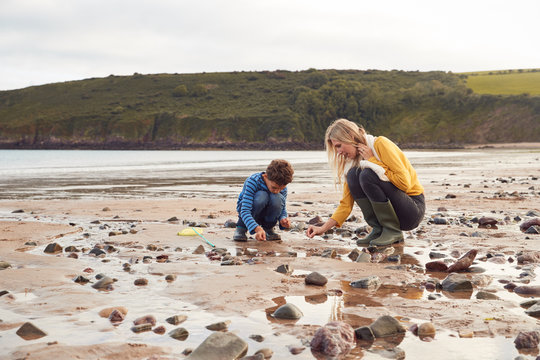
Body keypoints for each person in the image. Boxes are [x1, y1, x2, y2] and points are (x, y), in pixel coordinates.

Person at [306, 118, 425, 246]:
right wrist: (323, 228)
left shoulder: (380, 144)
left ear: (350, 137)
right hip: (395, 212)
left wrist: (372, 161)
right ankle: (379, 229)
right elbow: (346, 205)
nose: (338, 152)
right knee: (353, 175)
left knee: (367, 175)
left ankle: (392, 230)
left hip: (412, 209)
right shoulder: (352, 164)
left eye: (339, 146)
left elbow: (404, 183)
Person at [233, 159, 294, 241]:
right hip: (250, 211)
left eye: (281, 188)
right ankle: (241, 228)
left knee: (277, 197)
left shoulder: (281, 186)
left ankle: (268, 229)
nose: (277, 191)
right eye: (274, 187)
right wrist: (257, 228)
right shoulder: (253, 181)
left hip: (267, 214)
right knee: (262, 195)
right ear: (265, 176)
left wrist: (283, 219)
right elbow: (244, 210)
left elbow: (282, 208)